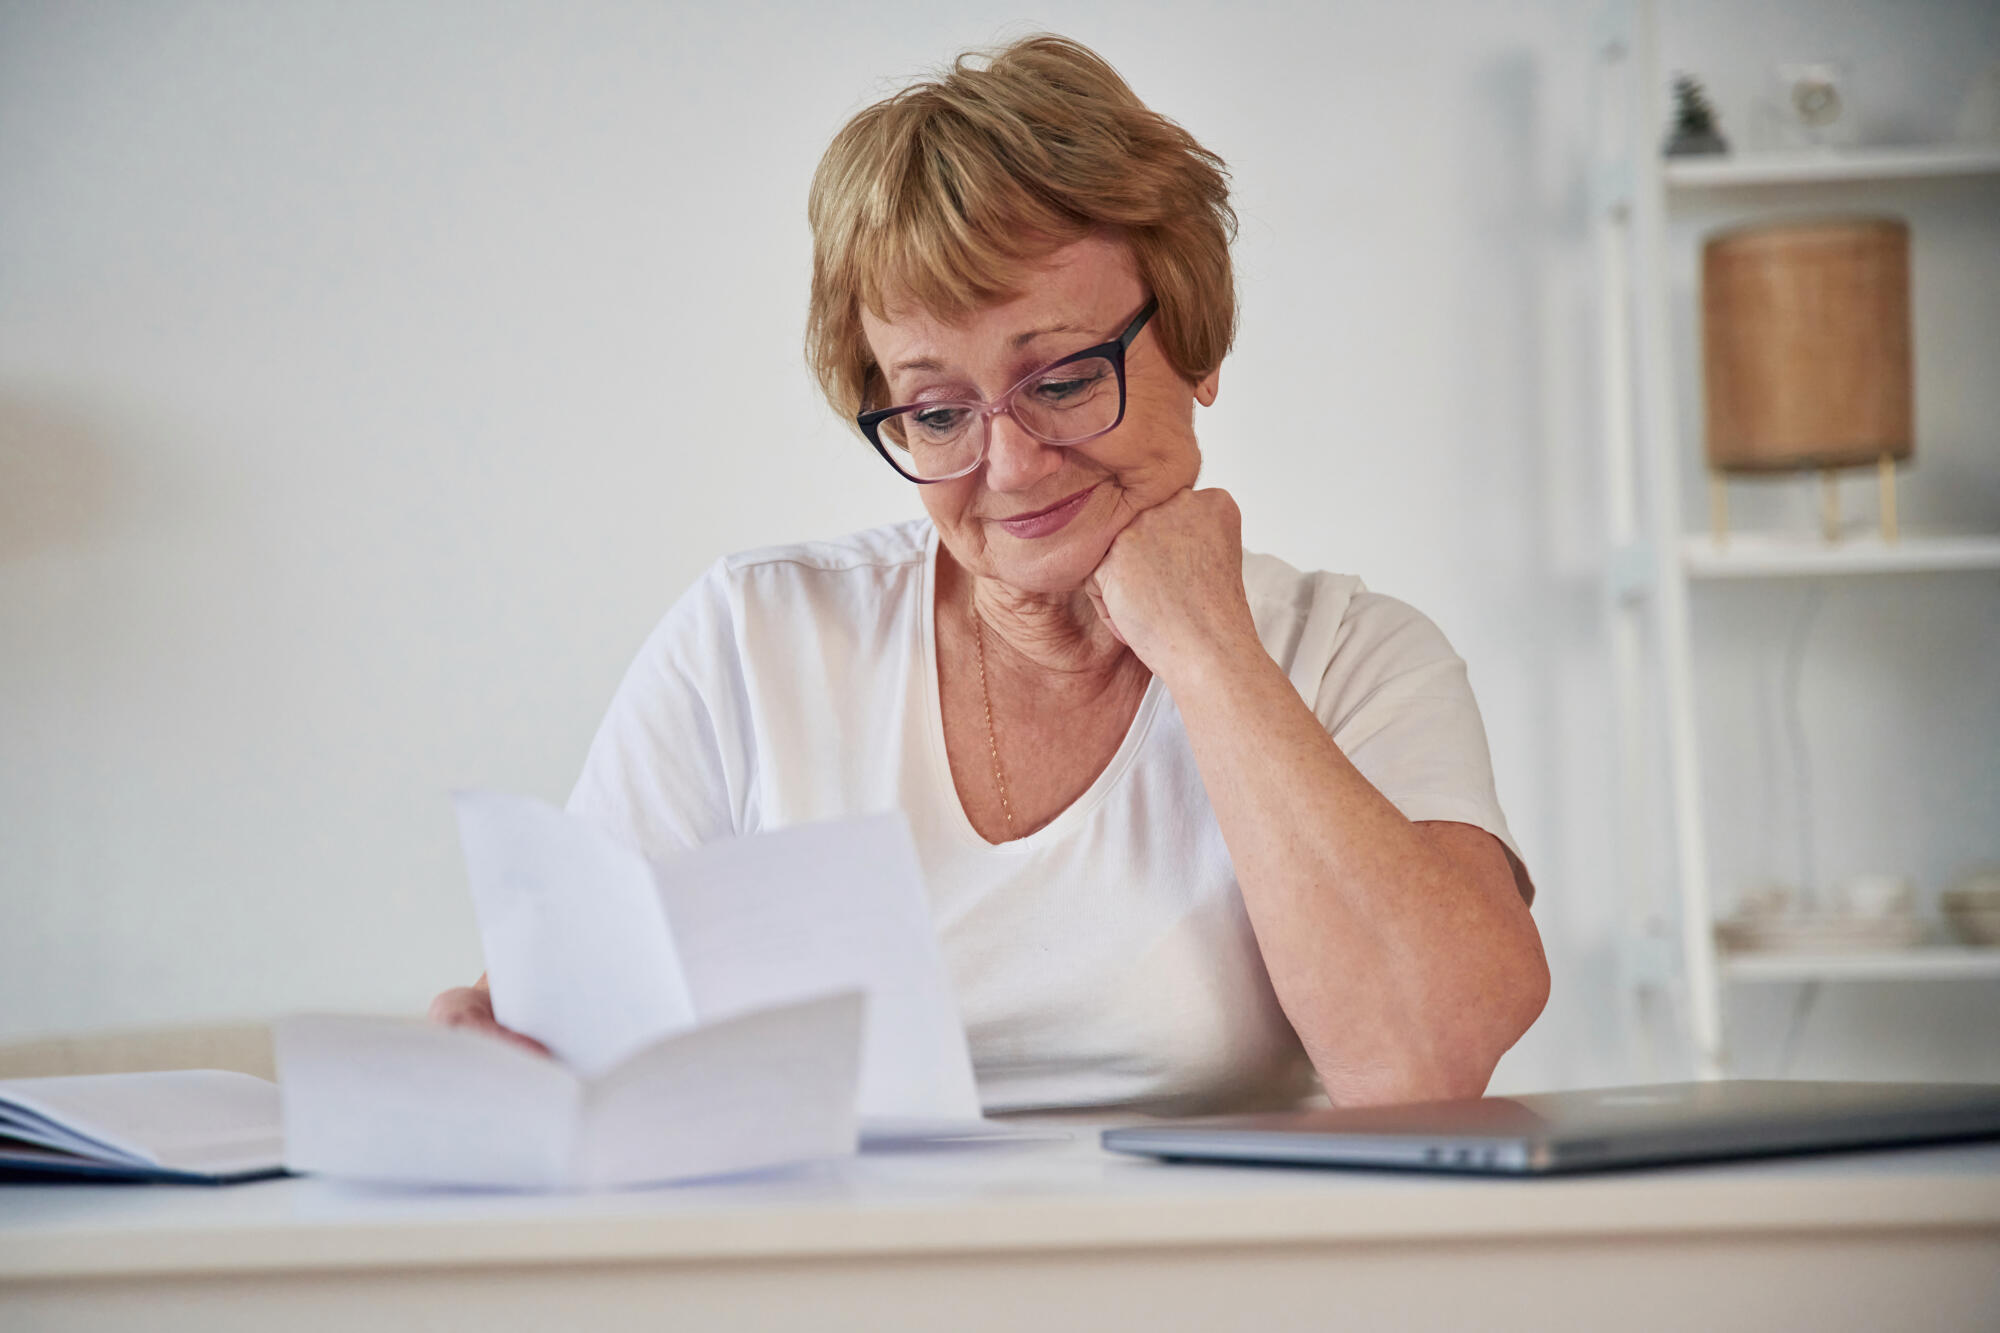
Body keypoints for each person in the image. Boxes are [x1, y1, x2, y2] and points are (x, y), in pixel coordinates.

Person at [432, 34, 1548, 1114]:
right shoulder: (751, 639)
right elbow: (591, 1054)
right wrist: (523, 1058)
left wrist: (1206, 650)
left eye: (1062, 380)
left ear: (1196, 345)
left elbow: (1421, 1058)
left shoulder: (1354, 657)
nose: (1007, 465)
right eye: (935, 411)